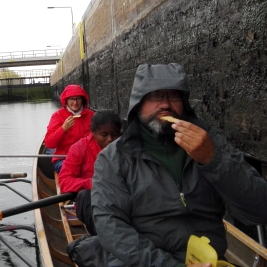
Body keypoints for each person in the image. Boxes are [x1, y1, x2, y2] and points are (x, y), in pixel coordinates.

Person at [91, 63, 267, 267]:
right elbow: (110, 228)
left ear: (183, 103)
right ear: (139, 103)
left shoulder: (210, 142)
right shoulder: (113, 158)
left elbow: (260, 210)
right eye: (156, 95)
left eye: (173, 96)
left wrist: (213, 160)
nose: (165, 104)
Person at [58, 109, 122, 236]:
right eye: (104, 135)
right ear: (93, 133)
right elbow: (64, 182)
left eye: (115, 134)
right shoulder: (79, 148)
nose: (110, 139)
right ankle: (101, 235)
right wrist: (93, 183)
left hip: (121, 197)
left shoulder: (126, 147)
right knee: (84, 195)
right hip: (94, 200)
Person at [45, 84, 94, 173]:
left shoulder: (91, 115)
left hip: (88, 157)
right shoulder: (57, 116)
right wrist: (63, 128)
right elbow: (49, 143)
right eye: (71, 99)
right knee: (73, 170)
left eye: (78, 99)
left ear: (83, 100)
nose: (75, 102)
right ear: (66, 100)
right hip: (64, 158)